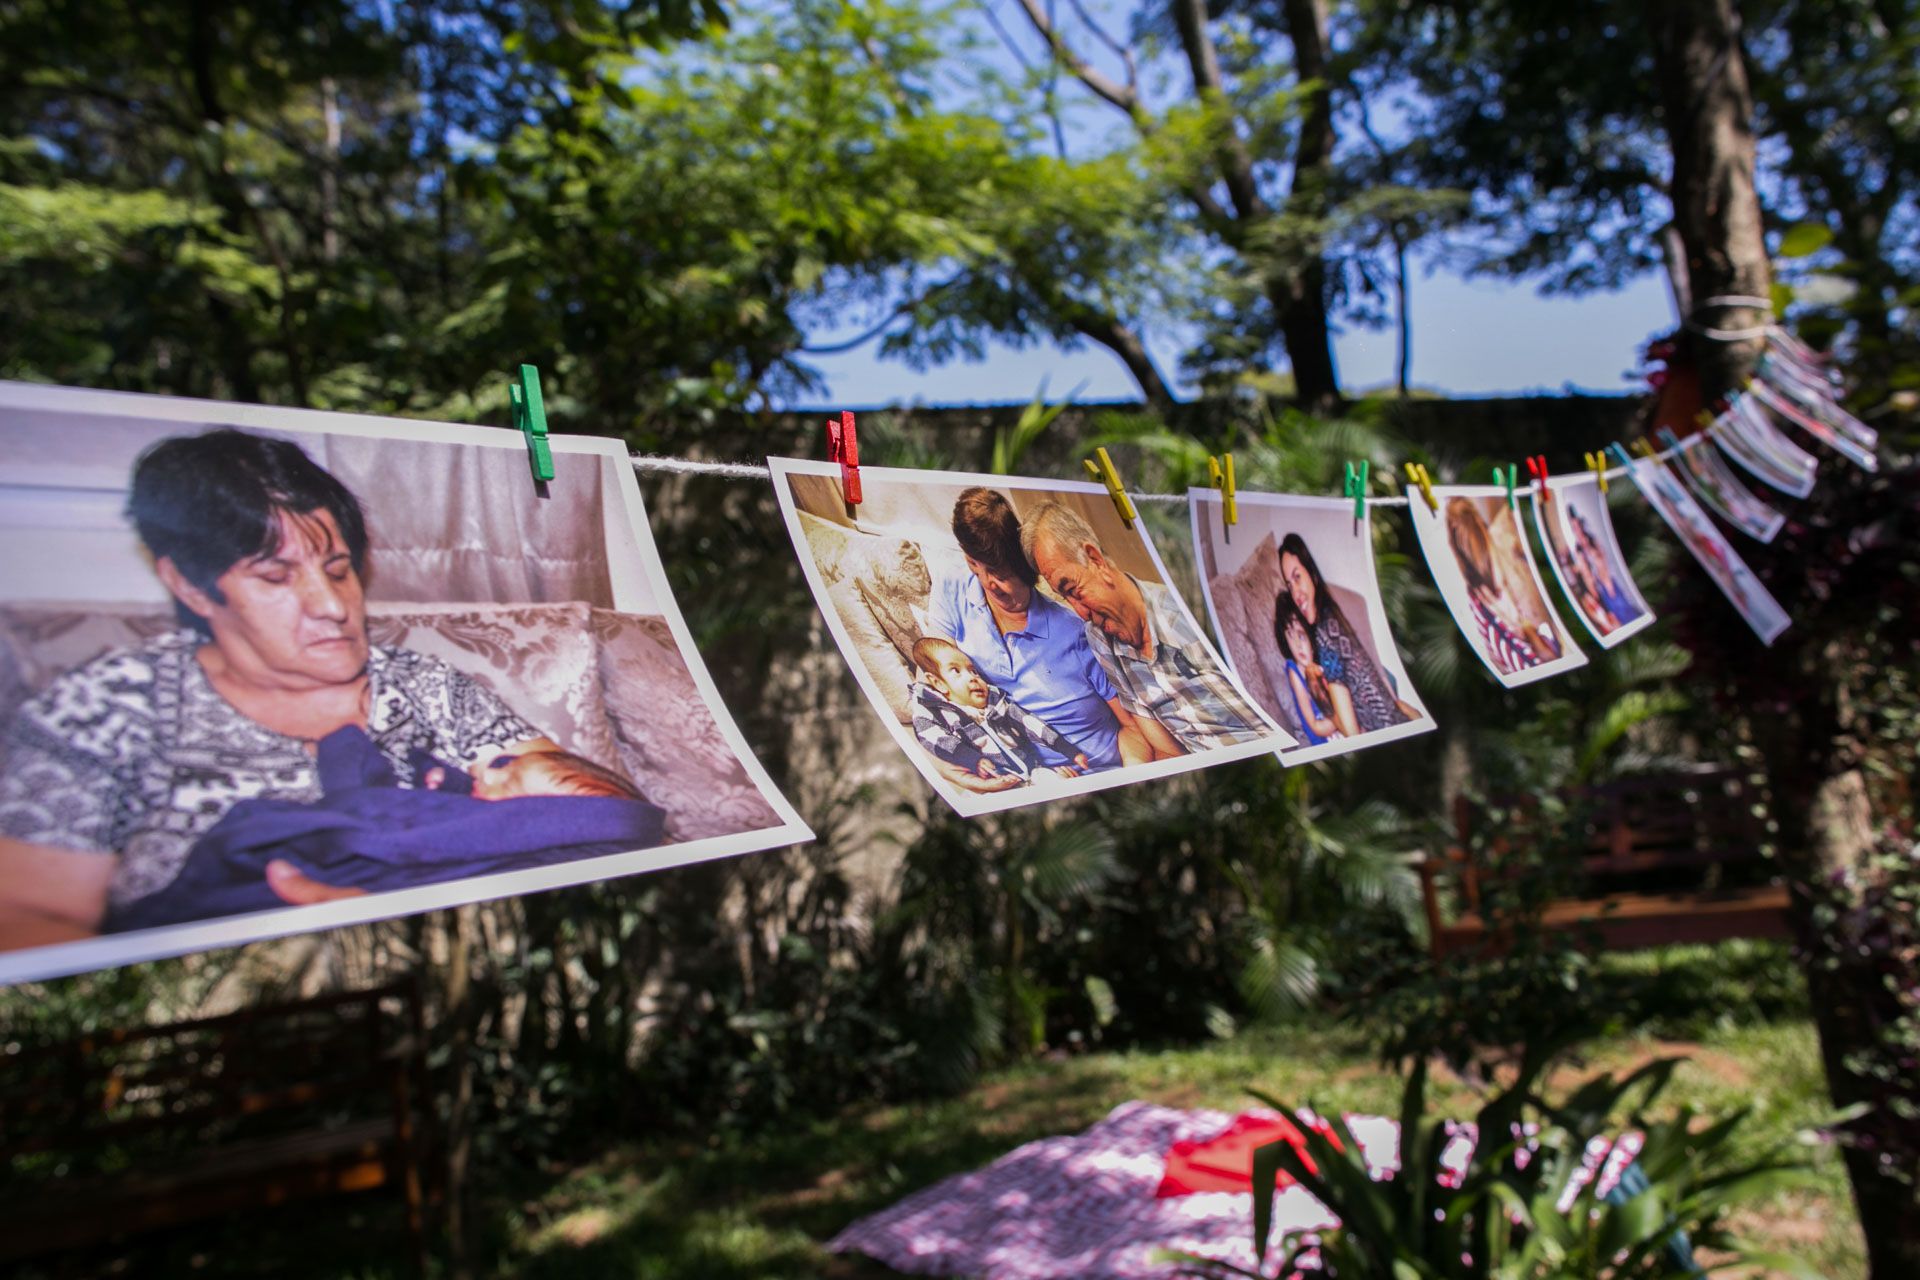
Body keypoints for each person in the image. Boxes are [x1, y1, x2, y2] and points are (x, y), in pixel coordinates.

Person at [0, 428, 593, 950]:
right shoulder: (110, 705)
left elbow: (586, 812)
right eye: (275, 577)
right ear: (192, 588)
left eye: (338, 570)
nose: (332, 606)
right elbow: (31, 919)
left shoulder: (425, 685)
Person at [923, 487, 1153, 792]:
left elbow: (1133, 728)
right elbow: (931, 687)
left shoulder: (1076, 632)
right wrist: (946, 764)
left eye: (1004, 574)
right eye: (980, 569)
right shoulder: (954, 589)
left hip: (1101, 775)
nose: (993, 585)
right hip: (1029, 779)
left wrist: (1128, 780)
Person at [1021, 500, 1267, 755]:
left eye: (1074, 590)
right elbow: (1162, 746)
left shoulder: (1185, 608)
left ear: (1095, 560)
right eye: (1066, 597)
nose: (1082, 613)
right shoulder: (1100, 639)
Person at [1272, 533, 1418, 733]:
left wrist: (1315, 687)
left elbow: (1351, 733)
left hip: (1391, 737)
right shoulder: (1332, 615)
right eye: (1289, 584)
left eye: (1297, 577)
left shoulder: (1325, 635)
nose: (1295, 593)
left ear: (1312, 573)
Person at [908, 638, 1093, 784]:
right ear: (938, 683)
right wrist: (972, 760)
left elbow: (1029, 722)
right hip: (992, 780)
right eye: (956, 671)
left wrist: (1067, 749)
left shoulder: (996, 703)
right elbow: (931, 737)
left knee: (1060, 781)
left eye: (973, 671)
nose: (972, 678)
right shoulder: (937, 713)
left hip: (1031, 772)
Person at [1444, 497, 1561, 674]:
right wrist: (1526, 630)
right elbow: (1543, 664)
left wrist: (1527, 629)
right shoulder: (1494, 626)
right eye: (1502, 586)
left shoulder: (1491, 602)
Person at [1274, 599, 1355, 745]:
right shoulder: (1294, 670)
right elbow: (1315, 727)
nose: (1297, 645)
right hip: (1323, 736)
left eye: (1301, 636)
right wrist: (1341, 718)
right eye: (1290, 635)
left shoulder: (1325, 663)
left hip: (1341, 724)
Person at [1566, 507, 1641, 630]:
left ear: (1580, 524)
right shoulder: (1578, 550)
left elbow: (1604, 562)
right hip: (1600, 588)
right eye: (1573, 528)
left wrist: (1608, 584)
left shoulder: (1593, 542)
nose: (1576, 530)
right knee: (1617, 615)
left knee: (1625, 608)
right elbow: (1585, 574)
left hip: (1610, 582)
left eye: (1576, 526)